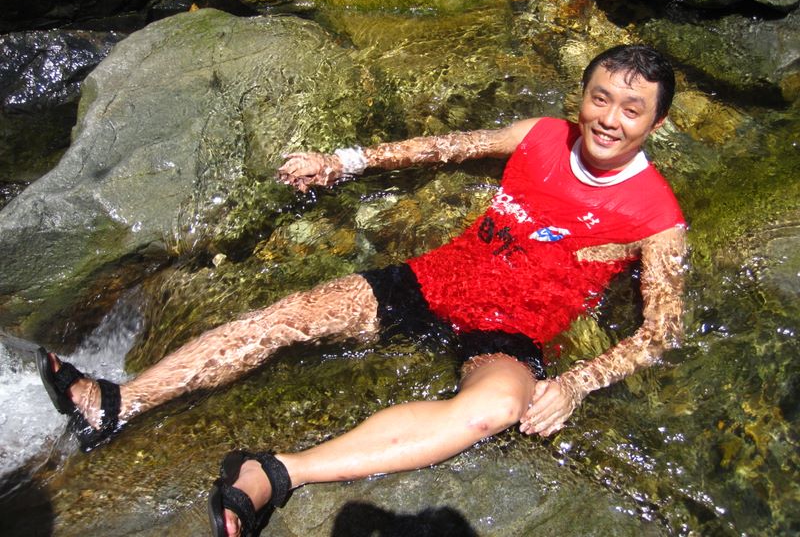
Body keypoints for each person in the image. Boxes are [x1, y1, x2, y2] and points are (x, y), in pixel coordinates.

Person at [37, 44, 687, 537]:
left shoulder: (657, 219)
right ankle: (116, 402)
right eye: (599, 98)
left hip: (509, 331)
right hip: (432, 281)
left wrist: (576, 383)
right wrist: (344, 162)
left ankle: (277, 472)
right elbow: (444, 148)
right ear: (582, 95)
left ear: (655, 124)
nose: (609, 119)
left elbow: (662, 330)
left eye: (631, 110)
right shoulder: (542, 135)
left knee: (492, 411)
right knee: (288, 316)